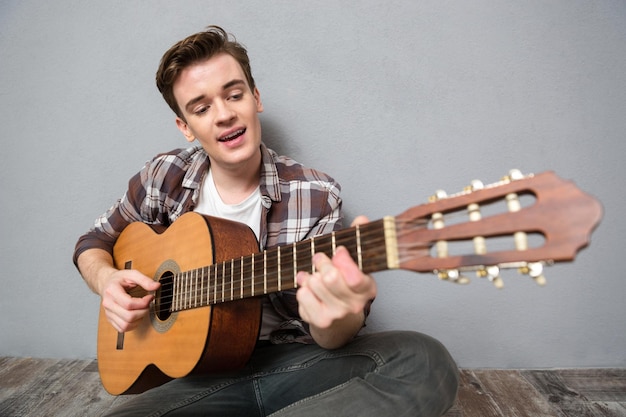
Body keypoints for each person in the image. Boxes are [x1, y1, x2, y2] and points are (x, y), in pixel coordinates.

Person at [73, 25, 459, 416]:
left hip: (294, 367)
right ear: (185, 127)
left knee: (423, 360)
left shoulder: (314, 194)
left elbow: (330, 336)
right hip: (194, 379)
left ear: (255, 98)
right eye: (202, 107)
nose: (224, 115)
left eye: (233, 94)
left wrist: (338, 316)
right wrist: (106, 282)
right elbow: (93, 243)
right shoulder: (164, 176)